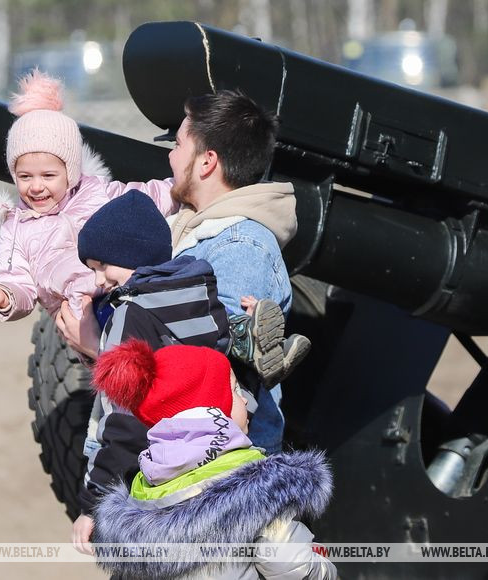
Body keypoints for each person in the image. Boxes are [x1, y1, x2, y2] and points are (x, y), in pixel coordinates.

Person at [69, 190, 310, 551]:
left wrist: (95, 502)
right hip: (222, 452)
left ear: (130, 253)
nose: (99, 280)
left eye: (101, 266)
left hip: (165, 475)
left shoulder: (129, 315)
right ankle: (248, 336)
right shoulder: (198, 291)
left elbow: (125, 418)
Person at [58, 89, 296, 455]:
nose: (170, 155)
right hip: (172, 458)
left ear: (206, 162)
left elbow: (213, 377)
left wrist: (98, 347)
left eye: (179, 144)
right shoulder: (185, 231)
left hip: (209, 479)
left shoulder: (240, 247)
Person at [88, 339, 337, 580]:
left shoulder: (142, 493)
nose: (245, 400)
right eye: (235, 390)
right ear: (213, 411)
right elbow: (291, 565)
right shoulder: (260, 491)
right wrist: (325, 570)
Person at [0, 69, 175, 323]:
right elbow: (17, 279)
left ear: (69, 171)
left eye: (48, 176)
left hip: (123, 292)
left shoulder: (95, 192)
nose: (36, 186)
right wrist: (5, 295)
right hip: (78, 315)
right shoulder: (16, 226)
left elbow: (146, 198)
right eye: (25, 177)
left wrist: (182, 187)